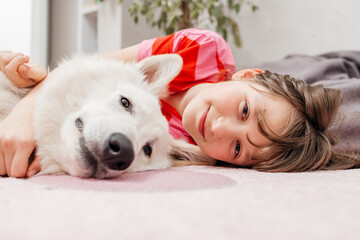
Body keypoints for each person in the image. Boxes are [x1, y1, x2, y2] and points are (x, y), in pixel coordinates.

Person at [0, 29, 358, 178]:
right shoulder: (202, 50)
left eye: (236, 147)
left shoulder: (183, 149)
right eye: (245, 111)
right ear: (248, 76)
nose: (220, 127)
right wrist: (28, 105)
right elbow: (91, 70)